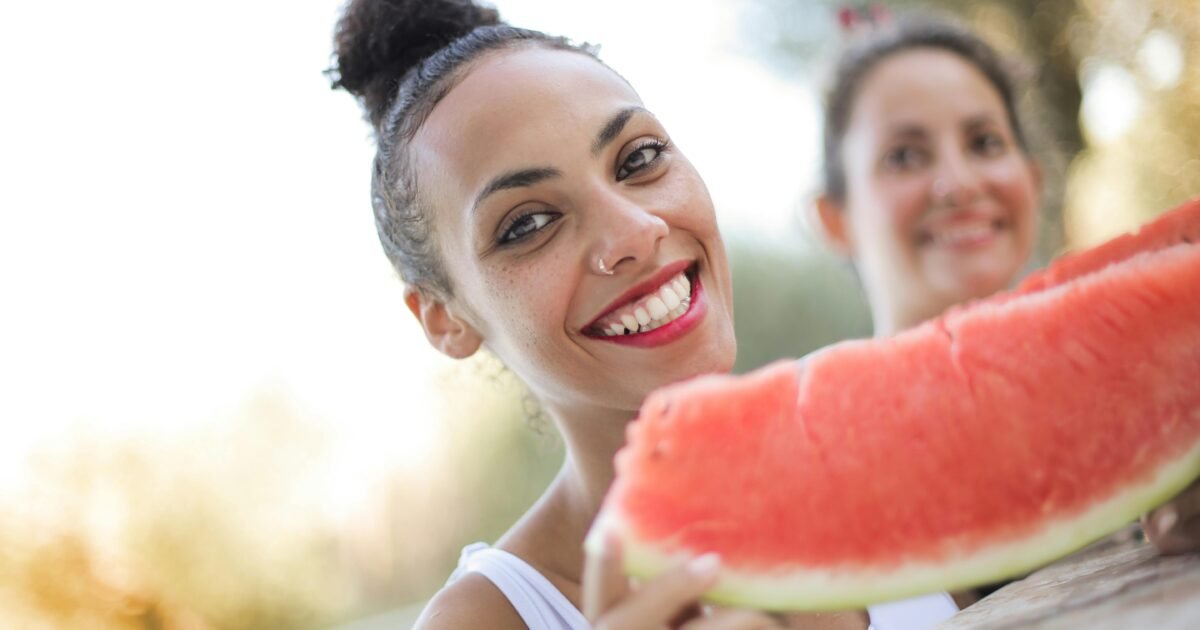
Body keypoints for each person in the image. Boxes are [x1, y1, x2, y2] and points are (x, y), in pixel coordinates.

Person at [812, 11, 1200, 577]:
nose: (959, 183)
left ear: (1032, 179)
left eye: (985, 142)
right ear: (835, 219)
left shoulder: (1151, 382)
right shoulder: (826, 470)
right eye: (904, 155)